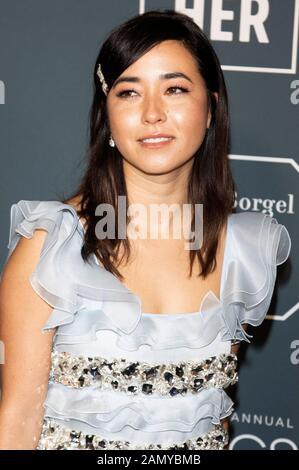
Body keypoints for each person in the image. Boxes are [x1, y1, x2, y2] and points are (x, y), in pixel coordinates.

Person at [0, 10, 291, 450]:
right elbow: (17, 421)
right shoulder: (51, 245)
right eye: (129, 92)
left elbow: (214, 418)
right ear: (108, 116)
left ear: (211, 107)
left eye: (174, 89)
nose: (153, 113)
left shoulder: (245, 252)